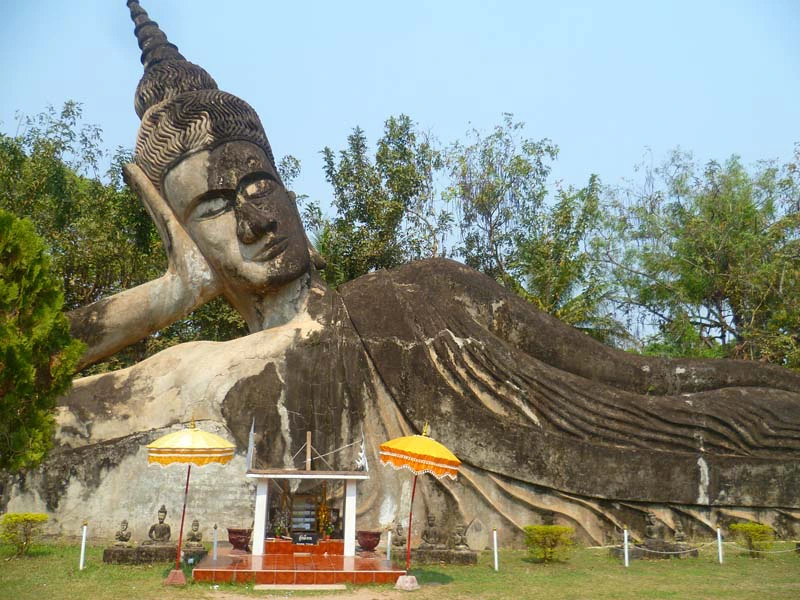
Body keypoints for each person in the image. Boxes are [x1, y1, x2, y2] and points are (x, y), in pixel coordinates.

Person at [11, 1, 799, 545]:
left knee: (682, 403)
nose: (254, 219)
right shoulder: (187, 370)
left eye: (259, 184)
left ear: (287, 187)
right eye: (215, 207)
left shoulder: (427, 290)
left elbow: (639, 381)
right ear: (183, 233)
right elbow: (20, 401)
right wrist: (171, 293)